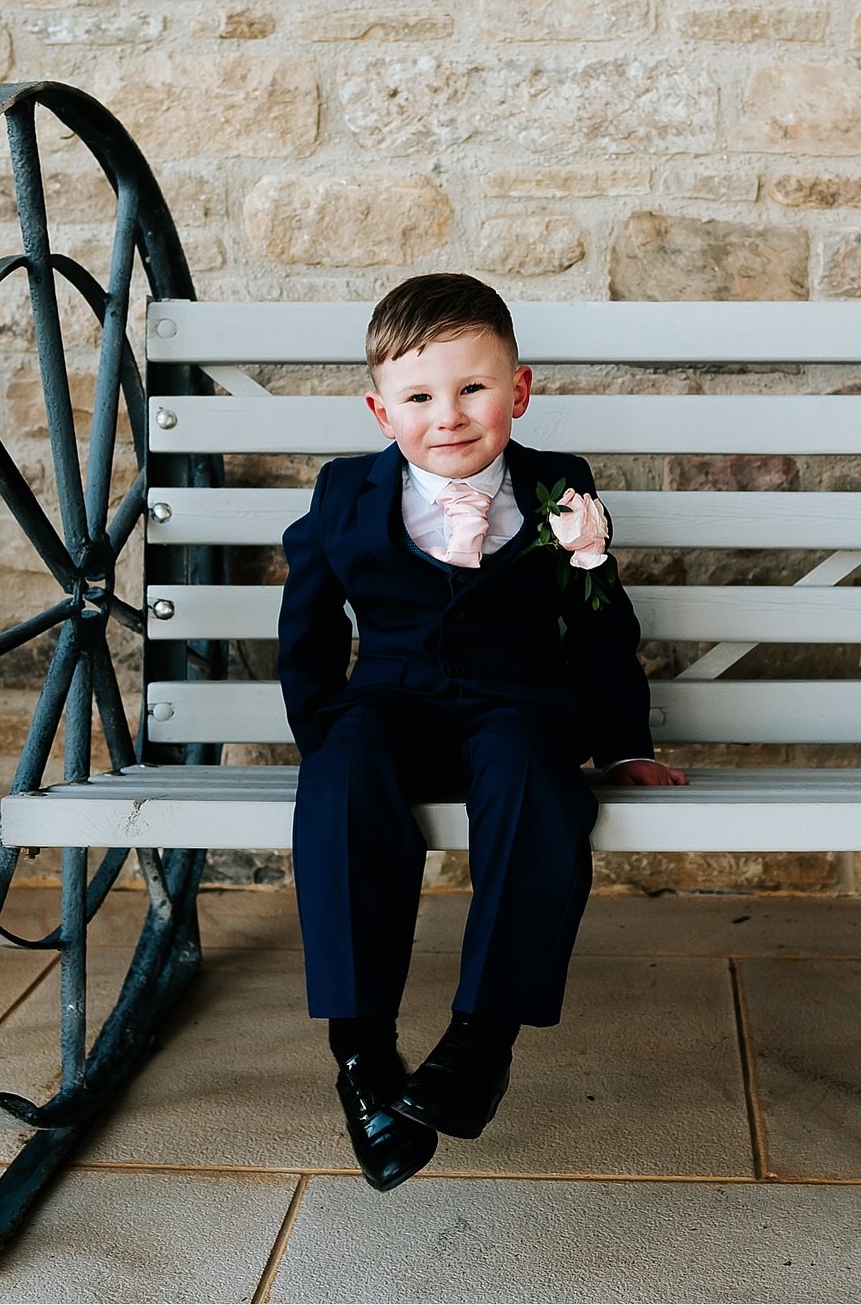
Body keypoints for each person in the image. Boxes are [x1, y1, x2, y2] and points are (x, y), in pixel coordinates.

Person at [276, 273, 686, 1192]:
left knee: (536, 782)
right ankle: (364, 1062)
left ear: (519, 391)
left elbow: (597, 624)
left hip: (517, 701)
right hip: (386, 702)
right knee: (344, 783)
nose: (449, 416)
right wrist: (322, 742)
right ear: (382, 412)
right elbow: (305, 630)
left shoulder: (557, 487)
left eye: (473, 389)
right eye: (420, 397)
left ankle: (478, 1044)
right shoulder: (344, 493)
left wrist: (626, 742)